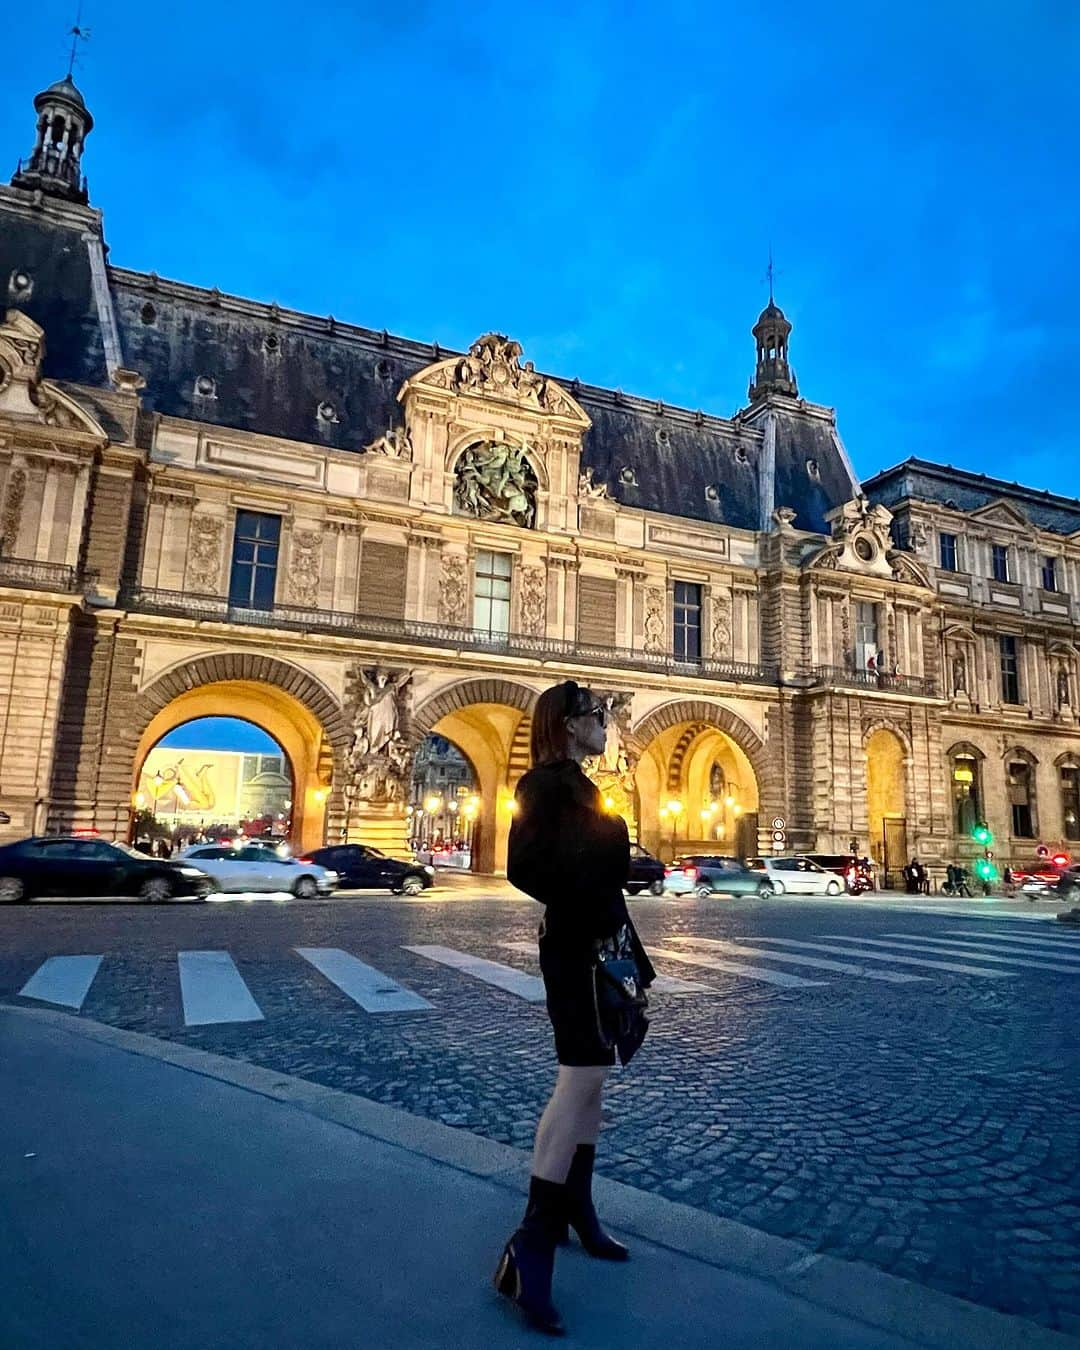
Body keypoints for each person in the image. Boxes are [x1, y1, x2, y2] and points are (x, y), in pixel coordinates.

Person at [494, 680, 655, 1336]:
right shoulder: (548, 786)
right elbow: (525, 867)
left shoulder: (576, 783)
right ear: (568, 725)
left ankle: (576, 1209)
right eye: (599, 715)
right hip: (577, 949)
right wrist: (600, 868)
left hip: (599, 946)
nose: (608, 725)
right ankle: (529, 1243)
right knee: (579, 1079)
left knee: (590, 1082)